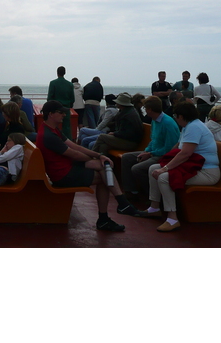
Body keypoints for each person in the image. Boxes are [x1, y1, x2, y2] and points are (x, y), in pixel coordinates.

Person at [36, 100, 140, 232]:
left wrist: (99, 156)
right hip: (63, 176)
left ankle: (119, 206)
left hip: (66, 168)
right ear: (50, 114)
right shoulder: (49, 135)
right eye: (61, 112)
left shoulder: (51, 129)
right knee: (105, 177)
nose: (64, 115)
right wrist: (96, 157)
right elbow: (74, 154)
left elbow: (74, 146)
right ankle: (115, 209)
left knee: (103, 168)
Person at [138, 101, 220, 232]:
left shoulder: (194, 127)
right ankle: (154, 208)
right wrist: (164, 162)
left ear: (181, 116)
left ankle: (172, 219)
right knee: (153, 168)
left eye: (176, 116)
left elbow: (186, 153)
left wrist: (165, 168)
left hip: (207, 172)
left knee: (164, 177)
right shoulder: (189, 126)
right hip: (194, 167)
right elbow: (179, 146)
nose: (175, 118)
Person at [120, 96, 180, 197]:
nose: (145, 111)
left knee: (137, 169)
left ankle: (151, 195)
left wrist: (150, 154)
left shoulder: (168, 123)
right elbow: (153, 140)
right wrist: (146, 151)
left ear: (150, 109)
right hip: (153, 152)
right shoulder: (155, 120)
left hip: (162, 156)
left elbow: (169, 148)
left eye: (145, 108)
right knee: (126, 158)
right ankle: (131, 191)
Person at [47, 66, 74, 138]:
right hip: (66, 108)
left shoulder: (53, 83)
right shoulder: (70, 84)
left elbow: (50, 97)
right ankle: (68, 144)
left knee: (54, 126)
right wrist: (69, 106)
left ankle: (55, 141)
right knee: (67, 128)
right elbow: (72, 98)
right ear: (64, 73)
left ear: (57, 73)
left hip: (55, 109)